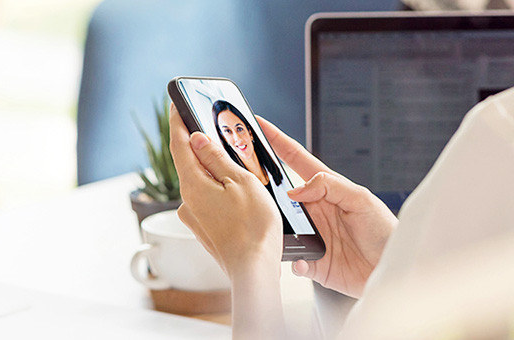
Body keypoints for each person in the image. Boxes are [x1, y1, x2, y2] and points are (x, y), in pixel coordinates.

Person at [169, 86, 514, 339]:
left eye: (239, 128)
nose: (236, 138)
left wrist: (251, 264)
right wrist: (394, 265)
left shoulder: (498, 129)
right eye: (225, 131)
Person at [212, 99, 306, 235]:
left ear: (250, 133)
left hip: (301, 250)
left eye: (239, 129)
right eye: (228, 131)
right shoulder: (234, 186)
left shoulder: (279, 172)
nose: (237, 138)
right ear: (223, 137)